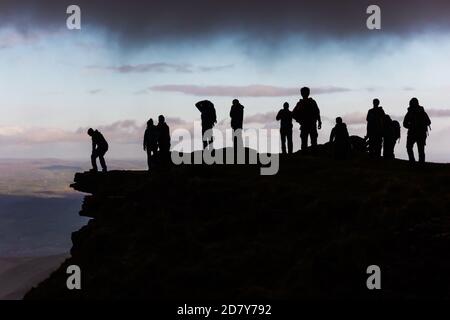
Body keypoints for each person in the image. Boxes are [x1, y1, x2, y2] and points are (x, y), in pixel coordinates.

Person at [292, 87, 322, 151]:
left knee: (307, 142)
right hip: (309, 124)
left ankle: (309, 154)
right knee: (309, 142)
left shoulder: (302, 103)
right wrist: (319, 121)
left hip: (308, 124)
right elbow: (317, 112)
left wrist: (299, 120)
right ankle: (311, 154)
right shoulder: (308, 102)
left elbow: (317, 112)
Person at [403, 98, 431, 163]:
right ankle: (419, 164)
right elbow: (429, 122)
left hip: (415, 134)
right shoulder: (421, 112)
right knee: (419, 150)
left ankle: (414, 162)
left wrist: (411, 126)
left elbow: (405, 124)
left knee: (412, 148)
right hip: (419, 134)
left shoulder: (412, 112)